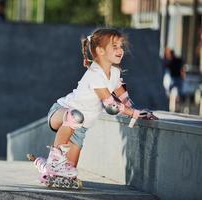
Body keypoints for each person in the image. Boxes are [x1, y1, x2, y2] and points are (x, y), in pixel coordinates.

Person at [33, 28, 157, 185]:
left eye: (121, 46)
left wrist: (141, 112)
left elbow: (124, 98)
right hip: (61, 113)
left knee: (69, 174)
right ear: (100, 50)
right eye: (115, 46)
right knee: (75, 116)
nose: (120, 50)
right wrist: (133, 113)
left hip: (80, 128)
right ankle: (53, 162)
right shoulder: (95, 73)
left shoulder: (115, 73)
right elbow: (110, 105)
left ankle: (45, 167)